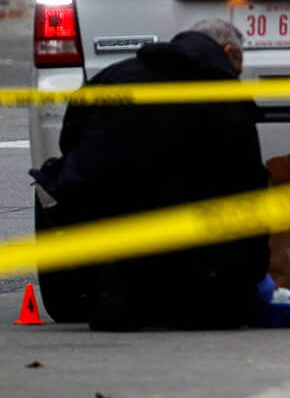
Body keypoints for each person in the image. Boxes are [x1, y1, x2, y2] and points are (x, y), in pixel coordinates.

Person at [32, 20, 269, 331]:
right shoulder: (227, 99)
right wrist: (255, 278)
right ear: (228, 53)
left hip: (117, 277)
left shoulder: (113, 78)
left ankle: (117, 290)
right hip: (202, 289)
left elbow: (71, 146)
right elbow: (250, 189)